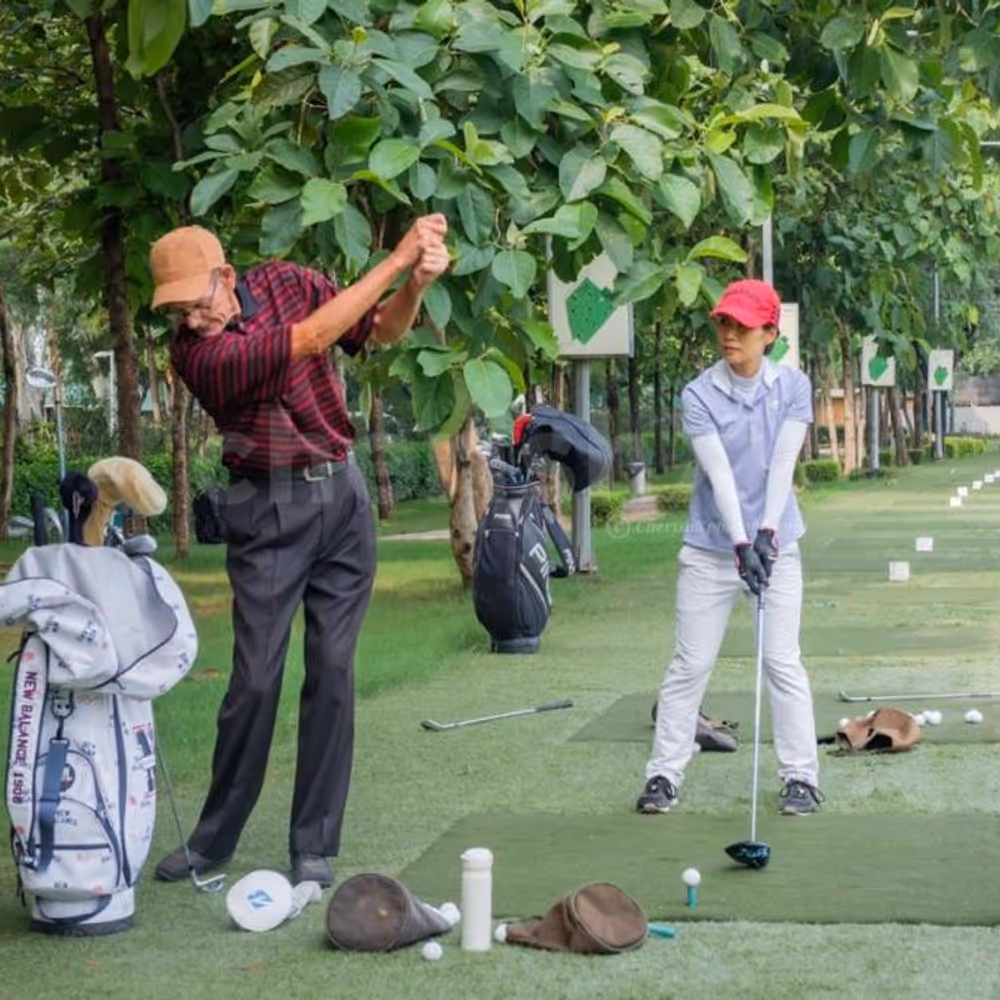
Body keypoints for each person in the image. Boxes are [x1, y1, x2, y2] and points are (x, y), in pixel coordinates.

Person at [148, 217, 450, 887]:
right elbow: (311, 338)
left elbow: (373, 331)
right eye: (177, 311)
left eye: (197, 302)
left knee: (334, 669)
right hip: (266, 509)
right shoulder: (195, 358)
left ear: (227, 276)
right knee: (255, 679)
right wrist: (399, 256)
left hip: (342, 498)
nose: (192, 320)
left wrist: (416, 287)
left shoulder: (287, 281)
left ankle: (312, 843)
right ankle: (214, 838)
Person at [637, 278, 822, 817]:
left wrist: (766, 535)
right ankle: (663, 776)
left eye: (742, 325)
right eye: (723, 322)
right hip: (711, 549)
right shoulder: (698, 394)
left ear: (769, 332)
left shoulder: (793, 388)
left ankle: (801, 779)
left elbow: (781, 466)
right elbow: (718, 474)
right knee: (690, 664)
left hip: (777, 543)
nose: (729, 333)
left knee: (782, 662)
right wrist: (741, 543)